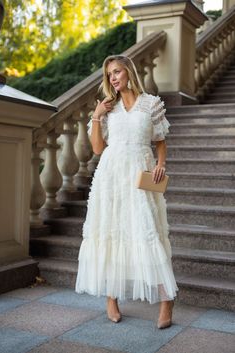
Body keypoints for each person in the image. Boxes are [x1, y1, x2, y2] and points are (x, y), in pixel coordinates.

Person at [75, 55, 178, 329]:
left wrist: (161, 164)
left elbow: (160, 141)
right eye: (109, 75)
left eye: (117, 72)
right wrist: (97, 116)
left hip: (140, 174)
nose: (113, 78)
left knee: (148, 231)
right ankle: (111, 298)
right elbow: (97, 149)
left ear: (129, 72)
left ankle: (166, 300)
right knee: (112, 231)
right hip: (111, 176)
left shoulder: (151, 104)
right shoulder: (108, 108)